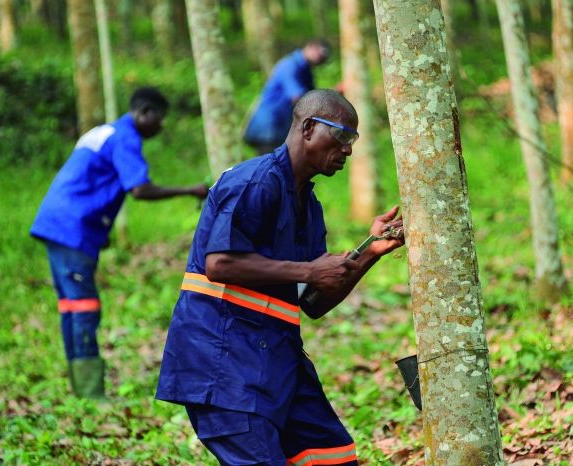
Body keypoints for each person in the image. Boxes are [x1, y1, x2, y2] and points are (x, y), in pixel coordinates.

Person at [156, 89, 404, 465]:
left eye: (353, 140)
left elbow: (313, 301)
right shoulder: (253, 182)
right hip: (225, 368)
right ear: (308, 128)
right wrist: (309, 269)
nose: (348, 150)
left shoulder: (309, 205)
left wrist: (370, 251)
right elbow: (219, 265)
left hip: (277, 364)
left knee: (334, 457)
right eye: (342, 136)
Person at [30, 87, 208, 399]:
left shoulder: (105, 131)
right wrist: (191, 190)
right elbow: (140, 190)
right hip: (73, 227)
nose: (160, 126)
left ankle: (81, 386)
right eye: (159, 118)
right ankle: (90, 393)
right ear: (144, 113)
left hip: (56, 222)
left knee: (70, 304)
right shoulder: (126, 137)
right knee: (84, 305)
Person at [243, 39, 330, 155]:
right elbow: (298, 97)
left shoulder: (306, 70)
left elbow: (313, 96)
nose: (320, 60)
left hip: (281, 128)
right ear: (310, 47)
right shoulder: (289, 65)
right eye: (319, 54)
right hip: (268, 128)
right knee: (271, 168)